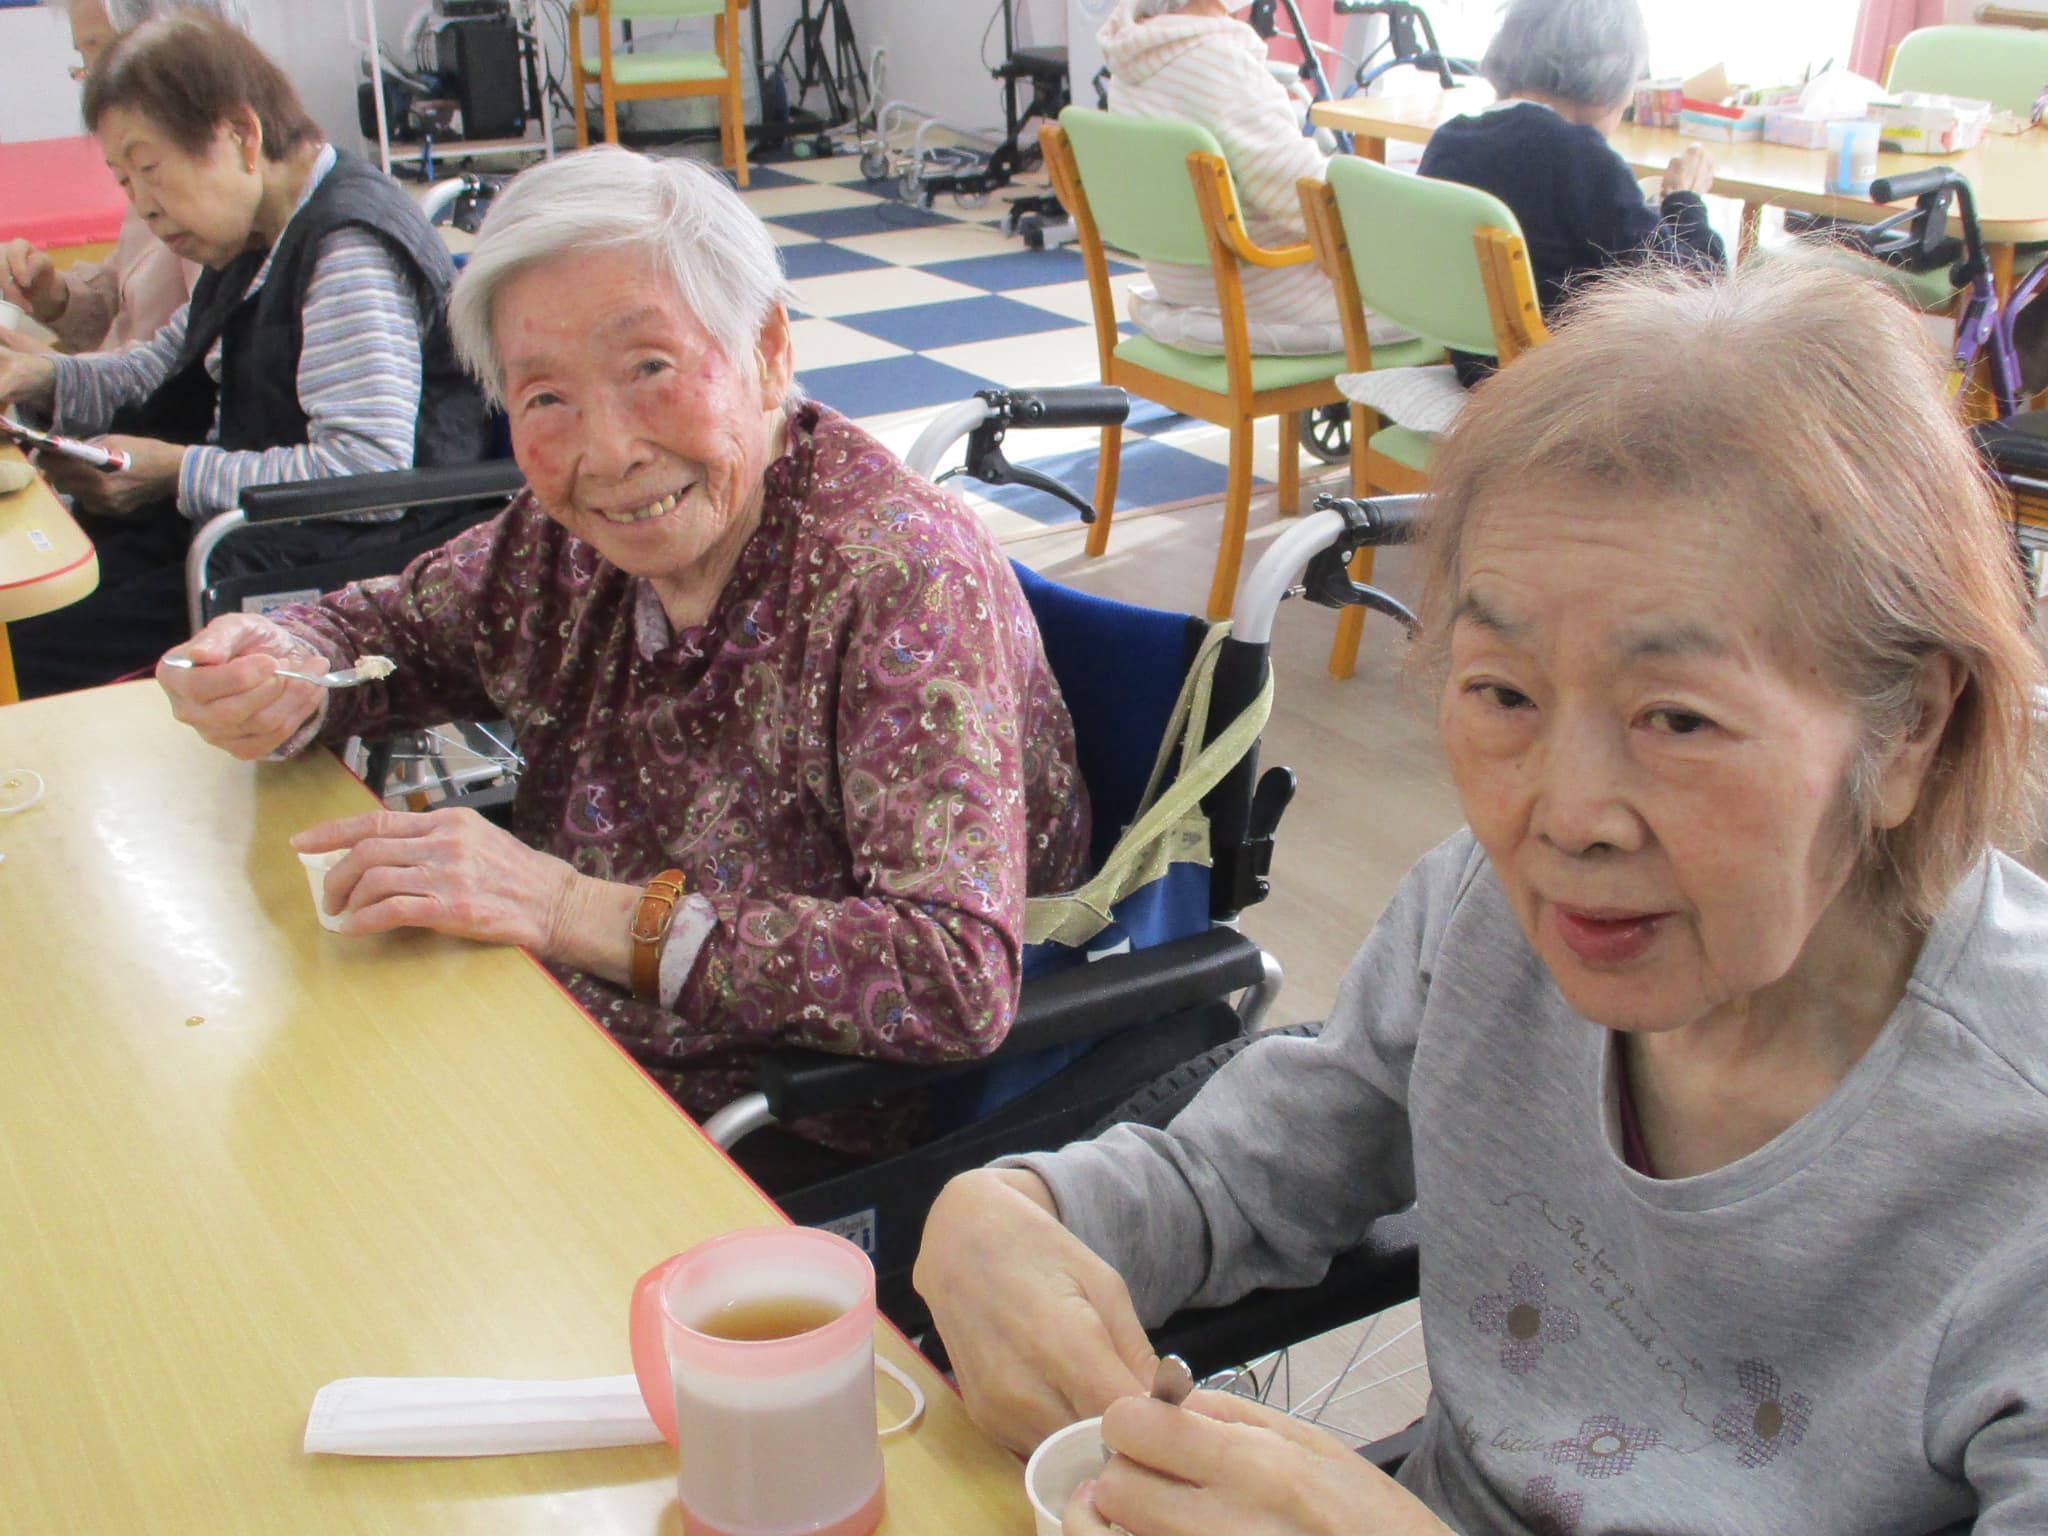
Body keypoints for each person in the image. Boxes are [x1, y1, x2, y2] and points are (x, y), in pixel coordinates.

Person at [913, 260, 2048, 1534]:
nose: (1562, 817)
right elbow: (1235, 1180)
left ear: (1910, 728)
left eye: (1675, 718)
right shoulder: (1480, 921)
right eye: (1502, 693)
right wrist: (1014, 1213)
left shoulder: (2014, 1160)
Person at [154, 146, 1093, 1178]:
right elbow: (393, 633)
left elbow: (949, 975)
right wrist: (283, 662)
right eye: (544, 397)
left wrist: (567, 909)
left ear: (767, 351)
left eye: (649, 368)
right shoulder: (564, 543)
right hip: (561, 1038)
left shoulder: (898, 577)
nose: (605, 454)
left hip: (780, 1126)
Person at [0, 14, 488, 699]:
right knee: (32, 614)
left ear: (241, 135)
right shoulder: (258, 233)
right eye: (124, 181)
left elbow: (366, 472)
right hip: (242, 535)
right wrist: (41, 378)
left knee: (27, 657)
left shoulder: (347, 249)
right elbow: (155, 364)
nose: (144, 206)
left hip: (341, 567)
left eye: (150, 170)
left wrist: (173, 471)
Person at [1417, 0, 1726, 385]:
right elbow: (1698, 286)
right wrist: (1685, 200)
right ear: (1610, 77)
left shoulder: (1450, 140)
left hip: (1476, 368)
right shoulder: (1578, 155)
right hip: (1557, 386)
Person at [1097, 0, 1407, 355]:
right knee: (1448, 292)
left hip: (1183, 286)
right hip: (1270, 295)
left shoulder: (1132, 60)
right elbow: (1301, 195)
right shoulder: (1217, 62)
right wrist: (1406, 212)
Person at [2, 1, 248, 353]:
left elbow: (193, 363)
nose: (93, 90)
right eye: (85, 64)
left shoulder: (208, 190)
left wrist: (55, 372)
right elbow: (128, 300)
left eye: (99, 57)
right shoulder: (150, 164)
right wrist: (54, 295)